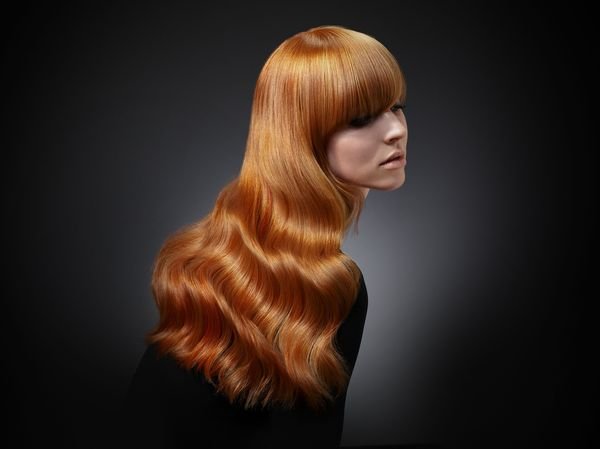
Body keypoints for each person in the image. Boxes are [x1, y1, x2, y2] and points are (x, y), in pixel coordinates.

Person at [122, 24, 408, 449]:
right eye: (360, 118)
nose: (396, 130)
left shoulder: (235, 250)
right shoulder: (330, 285)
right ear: (303, 136)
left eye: (397, 106)